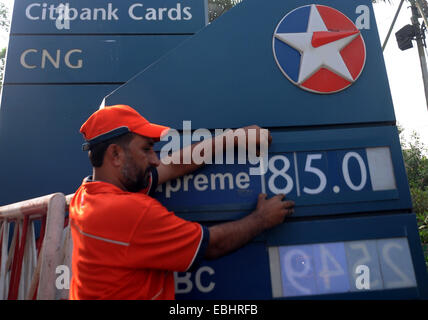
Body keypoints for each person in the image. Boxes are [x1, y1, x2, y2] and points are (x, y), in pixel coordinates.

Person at [69, 104, 295, 300]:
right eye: (146, 149)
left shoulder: (86, 195)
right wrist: (262, 219)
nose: (155, 160)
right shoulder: (130, 211)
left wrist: (233, 138)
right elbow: (212, 245)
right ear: (115, 155)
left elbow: (173, 165)